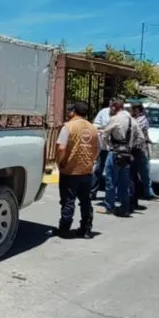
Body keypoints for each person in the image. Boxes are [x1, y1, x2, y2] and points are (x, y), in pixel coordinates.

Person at [55, 101, 99, 237]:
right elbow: (97, 149)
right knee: (85, 201)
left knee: (68, 201)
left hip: (70, 171)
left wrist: (59, 162)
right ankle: (86, 229)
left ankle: (64, 229)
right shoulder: (93, 128)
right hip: (86, 171)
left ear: (73, 111)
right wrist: (90, 160)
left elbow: (61, 148)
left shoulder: (68, 127)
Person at [100, 99, 134, 215]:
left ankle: (109, 206)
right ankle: (125, 208)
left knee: (110, 181)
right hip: (127, 154)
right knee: (124, 182)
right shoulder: (131, 120)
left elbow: (104, 135)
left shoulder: (114, 119)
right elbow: (139, 136)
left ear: (114, 107)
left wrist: (108, 145)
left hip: (115, 153)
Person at [130, 103, 157, 201]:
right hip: (133, 149)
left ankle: (148, 192)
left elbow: (139, 132)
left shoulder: (142, 120)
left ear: (137, 110)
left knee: (144, 172)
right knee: (134, 172)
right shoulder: (133, 119)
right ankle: (137, 192)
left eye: (132, 109)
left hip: (140, 149)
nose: (131, 111)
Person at [91, 101, 114, 200]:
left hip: (115, 148)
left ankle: (111, 196)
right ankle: (92, 192)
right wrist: (102, 128)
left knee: (112, 172)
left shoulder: (122, 115)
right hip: (104, 147)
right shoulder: (103, 112)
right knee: (98, 170)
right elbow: (95, 125)